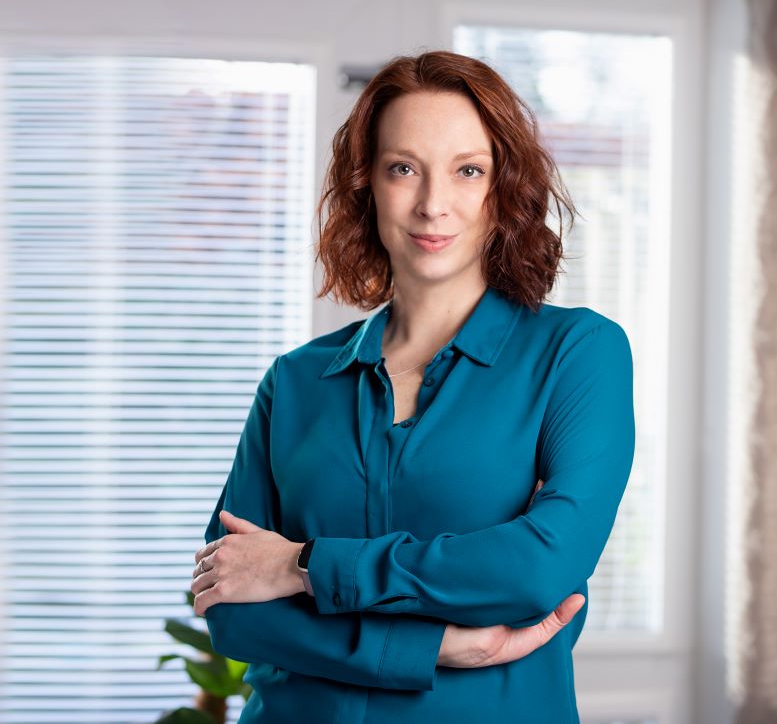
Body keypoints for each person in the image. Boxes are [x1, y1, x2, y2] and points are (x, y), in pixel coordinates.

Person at [190, 50, 635, 724]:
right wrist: (429, 647)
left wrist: (302, 564)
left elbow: (538, 568)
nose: (432, 204)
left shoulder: (577, 353)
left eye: (467, 170)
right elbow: (230, 605)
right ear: (365, 183)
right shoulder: (295, 381)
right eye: (404, 168)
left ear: (504, 188)